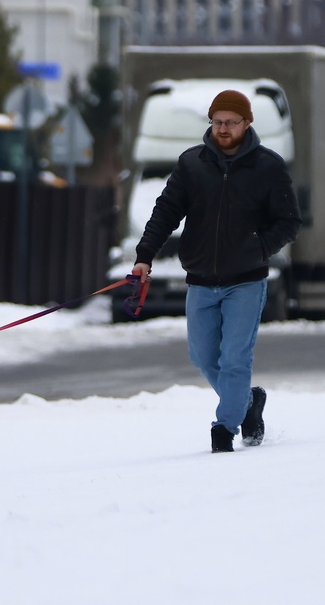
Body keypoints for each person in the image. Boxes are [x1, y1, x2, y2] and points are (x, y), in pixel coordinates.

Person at [131, 89, 301, 453]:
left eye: (231, 122)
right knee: (204, 357)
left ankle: (224, 428)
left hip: (246, 280)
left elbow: (289, 222)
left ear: (247, 123)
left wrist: (256, 248)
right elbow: (165, 212)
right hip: (201, 281)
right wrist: (145, 255)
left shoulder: (268, 167)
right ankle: (248, 403)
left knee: (235, 359)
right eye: (217, 121)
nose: (223, 129)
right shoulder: (192, 164)